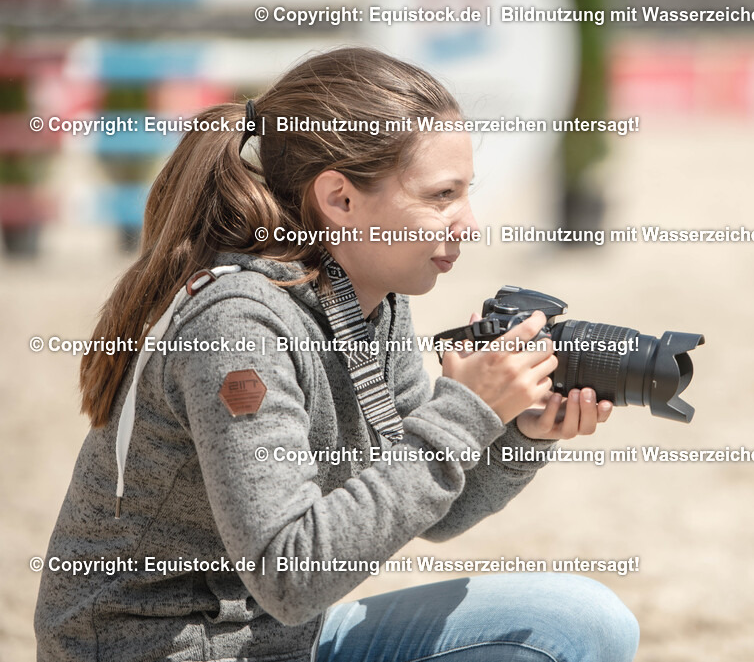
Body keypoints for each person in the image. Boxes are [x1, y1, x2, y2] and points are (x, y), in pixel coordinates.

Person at [35, 47, 639, 662]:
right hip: (164, 649)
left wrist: (515, 437)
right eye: (441, 196)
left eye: (466, 193)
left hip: (280, 642)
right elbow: (289, 577)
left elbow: (432, 511)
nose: (467, 224)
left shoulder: (375, 299)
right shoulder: (239, 325)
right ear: (340, 199)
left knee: (578, 621)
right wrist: (462, 415)